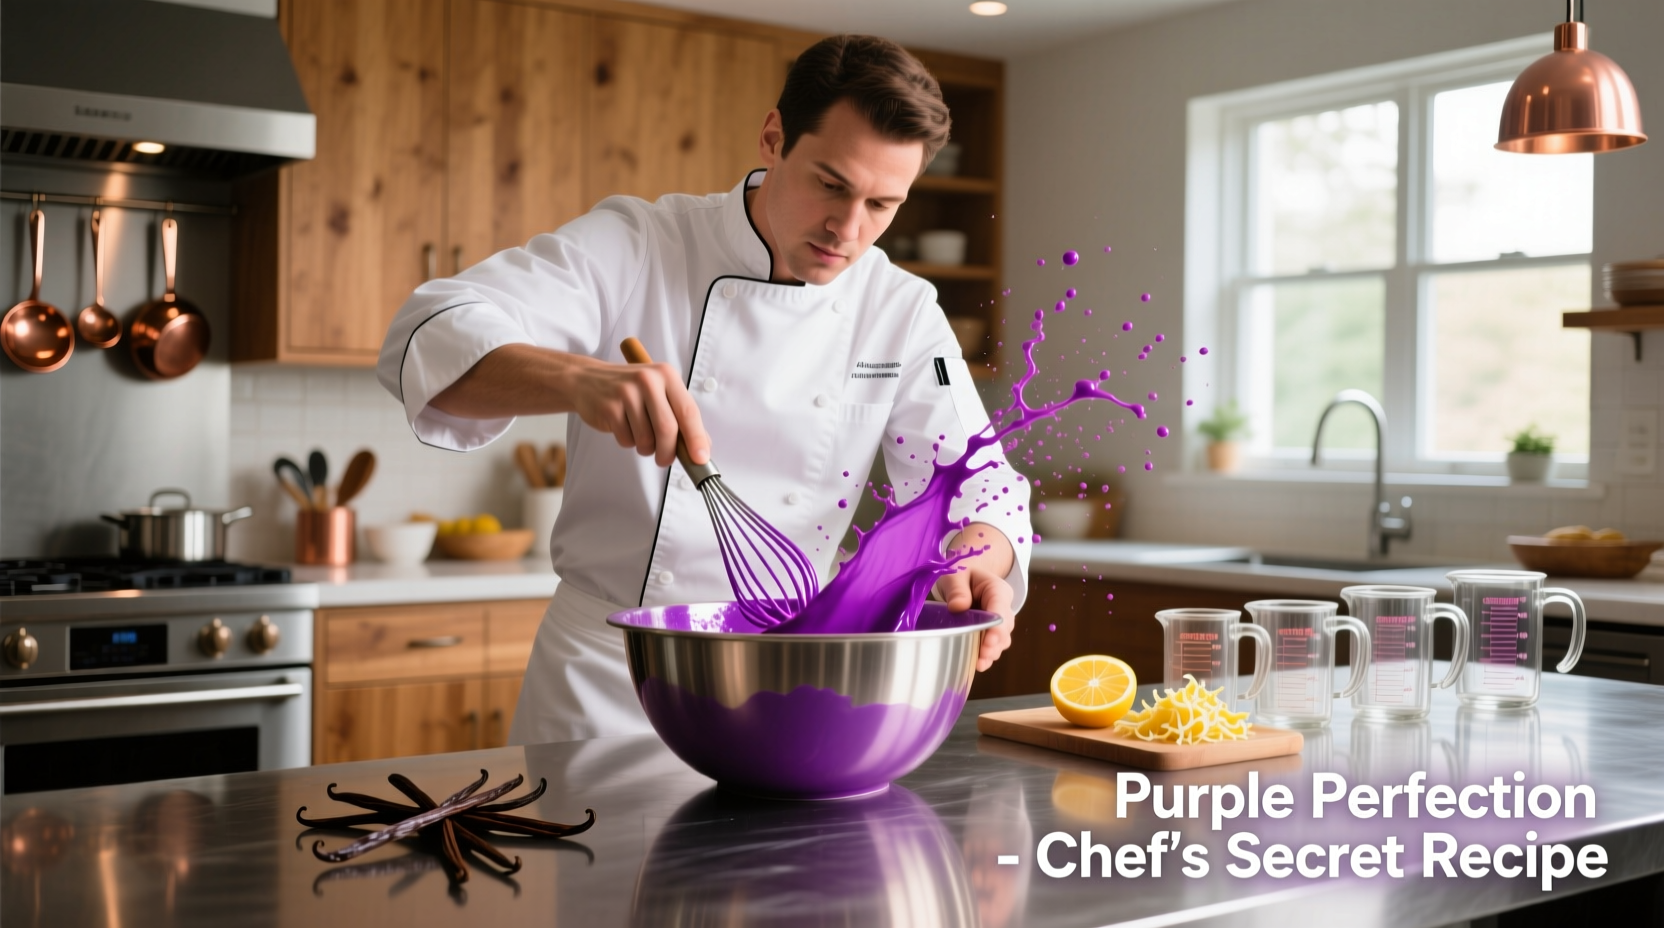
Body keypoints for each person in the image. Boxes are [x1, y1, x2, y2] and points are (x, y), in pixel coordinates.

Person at [377, 34, 1033, 745]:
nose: (848, 230)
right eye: (830, 185)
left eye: (881, 204)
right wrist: (579, 379)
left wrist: (975, 565)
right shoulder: (639, 243)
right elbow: (427, 333)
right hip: (608, 682)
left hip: (787, 681)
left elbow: (982, 482)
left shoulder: (899, 309)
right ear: (773, 138)